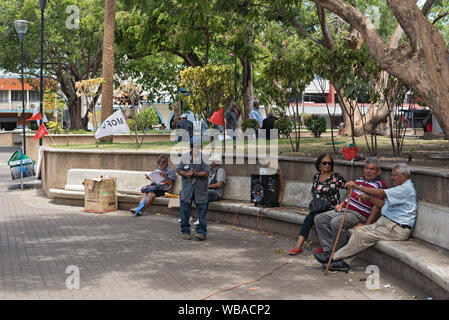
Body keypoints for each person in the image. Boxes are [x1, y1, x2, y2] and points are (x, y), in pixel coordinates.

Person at [319, 163, 416, 272]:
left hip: (397, 229)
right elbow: (382, 205)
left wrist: (357, 187)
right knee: (357, 231)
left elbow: (380, 192)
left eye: (394, 175)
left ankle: (333, 257)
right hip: (385, 224)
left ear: (402, 176)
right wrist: (370, 198)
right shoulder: (400, 188)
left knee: (363, 236)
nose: (391, 178)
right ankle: (344, 263)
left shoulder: (405, 189)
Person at [313, 157, 386, 262]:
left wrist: (367, 224)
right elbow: (349, 192)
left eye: (372, 169)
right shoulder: (359, 179)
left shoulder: (379, 185)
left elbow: (377, 206)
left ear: (378, 171)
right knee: (319, 219)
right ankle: (328, 251)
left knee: (336, 222)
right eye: (367, 168)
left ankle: (338, 255)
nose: (368, 171)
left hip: (358, 214)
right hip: (345, 210)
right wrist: (341, 204)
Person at [289, 154, 346, 255]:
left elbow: (350, 188)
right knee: (310, 217)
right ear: (319, 164)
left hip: (331, 209)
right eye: (324, 163)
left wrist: (342, 203)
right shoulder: (316, 176)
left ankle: (323, 246)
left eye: (329, 163)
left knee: (314, 217)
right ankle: (298, 247)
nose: (327, 165)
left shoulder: (336, 177)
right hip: (318, 207)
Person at [176, 136, 210, 241]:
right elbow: (178, 170)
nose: (194, 149)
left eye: (197, 147)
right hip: (187, 189)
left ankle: (201, 232)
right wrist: (186, 174)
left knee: (202, 211)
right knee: (184, 211)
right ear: (190, 147)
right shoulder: (184, 157)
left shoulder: (204, 158)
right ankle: (185, 231)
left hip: (200, 189)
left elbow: (206, 172)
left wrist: (195, 173)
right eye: (192, 147)